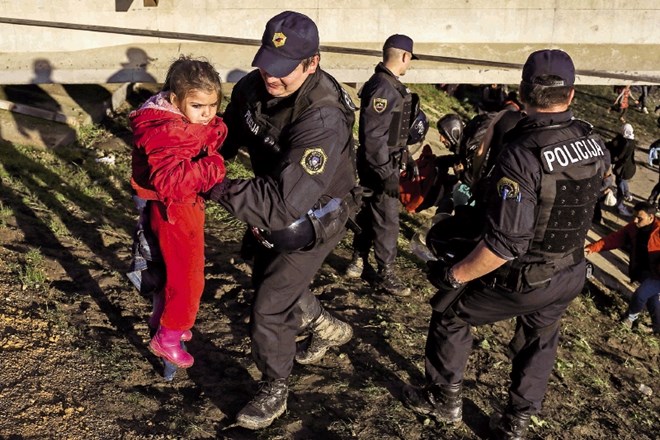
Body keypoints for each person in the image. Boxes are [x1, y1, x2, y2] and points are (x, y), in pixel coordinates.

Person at [401, 49, 608, 440]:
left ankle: (443, 399)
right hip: (570, 270)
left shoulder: (522, 153)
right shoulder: (593, 141)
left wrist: (454, 274)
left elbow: (506, 244)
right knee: (541, 338)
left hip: (527, 275)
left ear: (523, 91)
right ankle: (517, 421)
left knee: (450, 313)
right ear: (572, 94)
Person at [207, 11, 358, 430]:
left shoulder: (322, 116)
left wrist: (211, 186)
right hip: (273, 195)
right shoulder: (252, 88)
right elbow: (225, 139)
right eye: (266, 64)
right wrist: (192, 155)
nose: (271, 77)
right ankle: (325, 326)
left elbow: (281, 205)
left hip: (314, 214)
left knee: (269, 305)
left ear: (313, 62)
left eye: (284, 71)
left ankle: (275, 385)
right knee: (269, 280)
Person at [129, 55, 227, 368]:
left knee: (174, 271)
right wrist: (213, 167)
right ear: (175, 100)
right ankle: (168, 335)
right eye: (199, 107)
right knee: (190, 278)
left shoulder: (173, 122)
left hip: (176, 209)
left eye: (213, 106)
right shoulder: (169, 132)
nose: (208, 114)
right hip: (177, 211)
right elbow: (171, 180)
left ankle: (164, 318)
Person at [345, 34, 419, 297]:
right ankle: (385, 273)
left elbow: (391, 131)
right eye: (410, 59)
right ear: (404, 56)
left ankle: (358, 260)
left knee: (368, 212)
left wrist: (406, 157)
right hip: (379, 166)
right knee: (387, 219)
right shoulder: (383, 88)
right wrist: (386, 171)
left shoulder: (388, 85)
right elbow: (374, 136)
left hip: (383, 162)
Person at [585, 202, 660, 335]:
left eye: (639, 218)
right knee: (652, 298)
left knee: (640, 294)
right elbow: (614, 239)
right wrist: (591, 248)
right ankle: (657, 327)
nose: (635, 220)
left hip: (658, 274)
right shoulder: (633, 228)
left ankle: (630, 318)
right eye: (634, 216)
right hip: (645, 271)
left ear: (651, 217)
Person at [607, 123, 637, 216]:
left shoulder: (627, 143)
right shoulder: (630, 140)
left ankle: (621, 207)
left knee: (621, 188)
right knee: (622, 182)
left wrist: (613, 158)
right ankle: (627, 195)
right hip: (627, 169)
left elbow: (621, 156)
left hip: (623, 169)